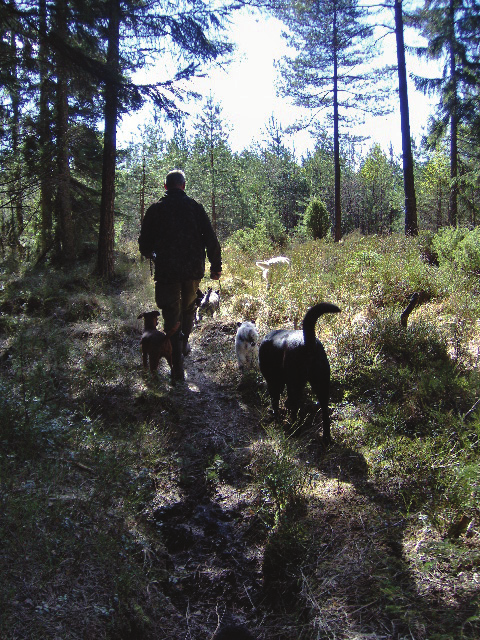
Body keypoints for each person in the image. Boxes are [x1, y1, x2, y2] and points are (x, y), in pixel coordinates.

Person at [138, 169, 222, 381]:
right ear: (183, 186)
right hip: (193, 271)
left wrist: (154, 254)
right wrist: (215, 267)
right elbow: (211, 239)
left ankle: (177, 370)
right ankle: (182, 347)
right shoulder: (195, 208)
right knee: (188, 309)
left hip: (167, 272)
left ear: (165, 187)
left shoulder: (156, 210)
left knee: (171, 315)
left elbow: (144, 245)